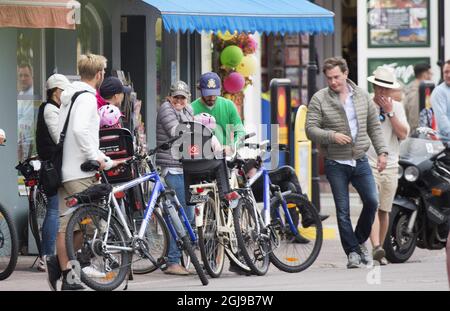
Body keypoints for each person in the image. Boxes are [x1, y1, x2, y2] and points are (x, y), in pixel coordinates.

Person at [45, 54, 121, 291]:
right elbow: (79, 131)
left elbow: (59, 132)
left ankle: (62, 268)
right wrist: (96, 157)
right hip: (80, 171)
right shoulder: (87, 98)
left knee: (68, 224)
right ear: (99, 75)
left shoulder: (69, 97)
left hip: (65, 170)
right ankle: (67, 271)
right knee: (91, 223)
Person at [305, 57, 388, 269]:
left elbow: (374, 127)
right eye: (329, 78)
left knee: (372, 201)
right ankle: (352, 252)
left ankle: (358, 242)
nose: (333, 82)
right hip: (336, 162)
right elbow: (310, 128)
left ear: (346, 73)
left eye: (336, 77)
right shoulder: (319, 99)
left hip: (360, 159)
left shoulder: (361, 96)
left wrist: (382, 153)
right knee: (342, 211)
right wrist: (332, 136)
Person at [367, 67, 410, 265]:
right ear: (374, 86)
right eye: (379, 87)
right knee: (372, 205)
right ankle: (376, 246)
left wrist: (391, 113)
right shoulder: (366, 103)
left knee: (384, 209)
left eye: (386, 88)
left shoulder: (397, 107)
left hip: (391, 164)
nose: (382, 92)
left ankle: (380, 249)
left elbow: (403, 134)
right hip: (369, 162)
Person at [156, 80, 194, 275]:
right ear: (169, 97)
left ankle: (186, 259)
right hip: (171, 168)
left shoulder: (187, 110)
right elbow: (176, 131)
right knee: (178, 216)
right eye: (176, 97)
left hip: (186, 167)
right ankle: (172, 261)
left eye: (183, 97)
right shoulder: (166, 109)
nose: (179, 100)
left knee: (189, 216)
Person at [35, 74, 71, 272]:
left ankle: (50, 254)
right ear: (57, 91)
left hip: (54, 166)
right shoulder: (50, 110)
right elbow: (59, 137)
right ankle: (47, 255)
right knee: (55, 210)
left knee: (57, 210)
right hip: (53, 168)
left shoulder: (51, 109)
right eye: (64, 91)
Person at [191, 72, 245, 154]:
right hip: (201, 157)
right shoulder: (191, 108)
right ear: (200, 90)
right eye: (208, 94)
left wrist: (232, 147)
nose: (212, 97)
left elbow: (240, 131)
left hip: (226, 156)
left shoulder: (228, 105)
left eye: (215, 93)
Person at [404, 63, 433, 133]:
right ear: (424, 75)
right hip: (417, 136)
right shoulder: (416, 91)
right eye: (430, 74)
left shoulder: (418, 88)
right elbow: (414, 118)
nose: (431, 76)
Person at [431, 60, 450, 141]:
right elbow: (442, 122)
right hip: (446, 145)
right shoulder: (439, 92)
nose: (449, 75)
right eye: (446, 72)